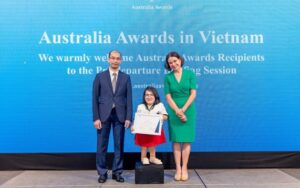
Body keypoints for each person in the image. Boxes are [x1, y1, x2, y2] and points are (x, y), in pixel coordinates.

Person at [92, 50, 132, 183]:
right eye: (113, 58)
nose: (115, 60)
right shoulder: (99, 76)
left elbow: (129, 99)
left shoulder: (126, 77)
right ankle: (102, 172)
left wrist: (128, 117)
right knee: (101, 145)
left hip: (119, 116)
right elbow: (94, 99)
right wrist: (96, 117)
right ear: (108, 59)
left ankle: (117, 172)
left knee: (119, 145)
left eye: (118, 58)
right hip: (103, 116)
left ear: (121, 60)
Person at [164, 51, 197, 181]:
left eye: (175, 61)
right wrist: (177, 110)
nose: (173, 64)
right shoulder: (168, 77)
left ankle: (185, 168)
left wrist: (183, 109)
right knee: (177, 141)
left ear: (180, 60)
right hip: (174, 110)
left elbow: (193, 94)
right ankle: (178, 168)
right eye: (170, 62)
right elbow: (168, 97)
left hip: (188, 109)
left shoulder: (190, 74)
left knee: (187, 140)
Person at [132, 86, 168, 165]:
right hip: (143, 131)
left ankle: (152, 157)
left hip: (154, 130)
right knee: (144, 144)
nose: (149, 97)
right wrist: (133, 126)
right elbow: (137, 119)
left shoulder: (160, 105)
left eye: (151, 95)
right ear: (144, 96)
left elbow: (166, 116)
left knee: (152, 143)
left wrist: (160, 117)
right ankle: (143, 157)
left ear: (155, 96)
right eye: (146, 95)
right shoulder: (140, 106)